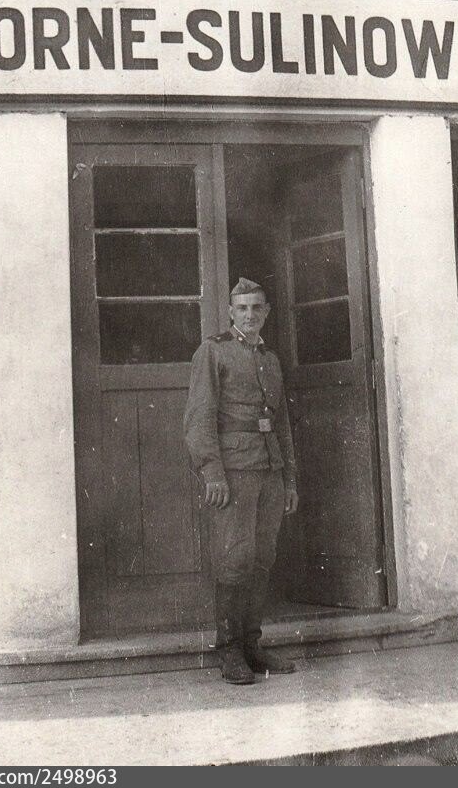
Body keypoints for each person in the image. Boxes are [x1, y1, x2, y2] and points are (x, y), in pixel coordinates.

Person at [184, 277, 299, 684]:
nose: (250, 315)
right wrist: (212, 471)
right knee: (235, 559)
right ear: (231, 312)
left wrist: (289, 480)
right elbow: (199, 417)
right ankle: (229, 650)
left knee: (262, 558)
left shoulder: (271, 359)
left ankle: (252, 646)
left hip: (269, 470)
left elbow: (281, 424)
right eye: (242, 308)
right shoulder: (213, 352)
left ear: (266, 312)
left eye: (256, 308)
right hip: (233, 472)